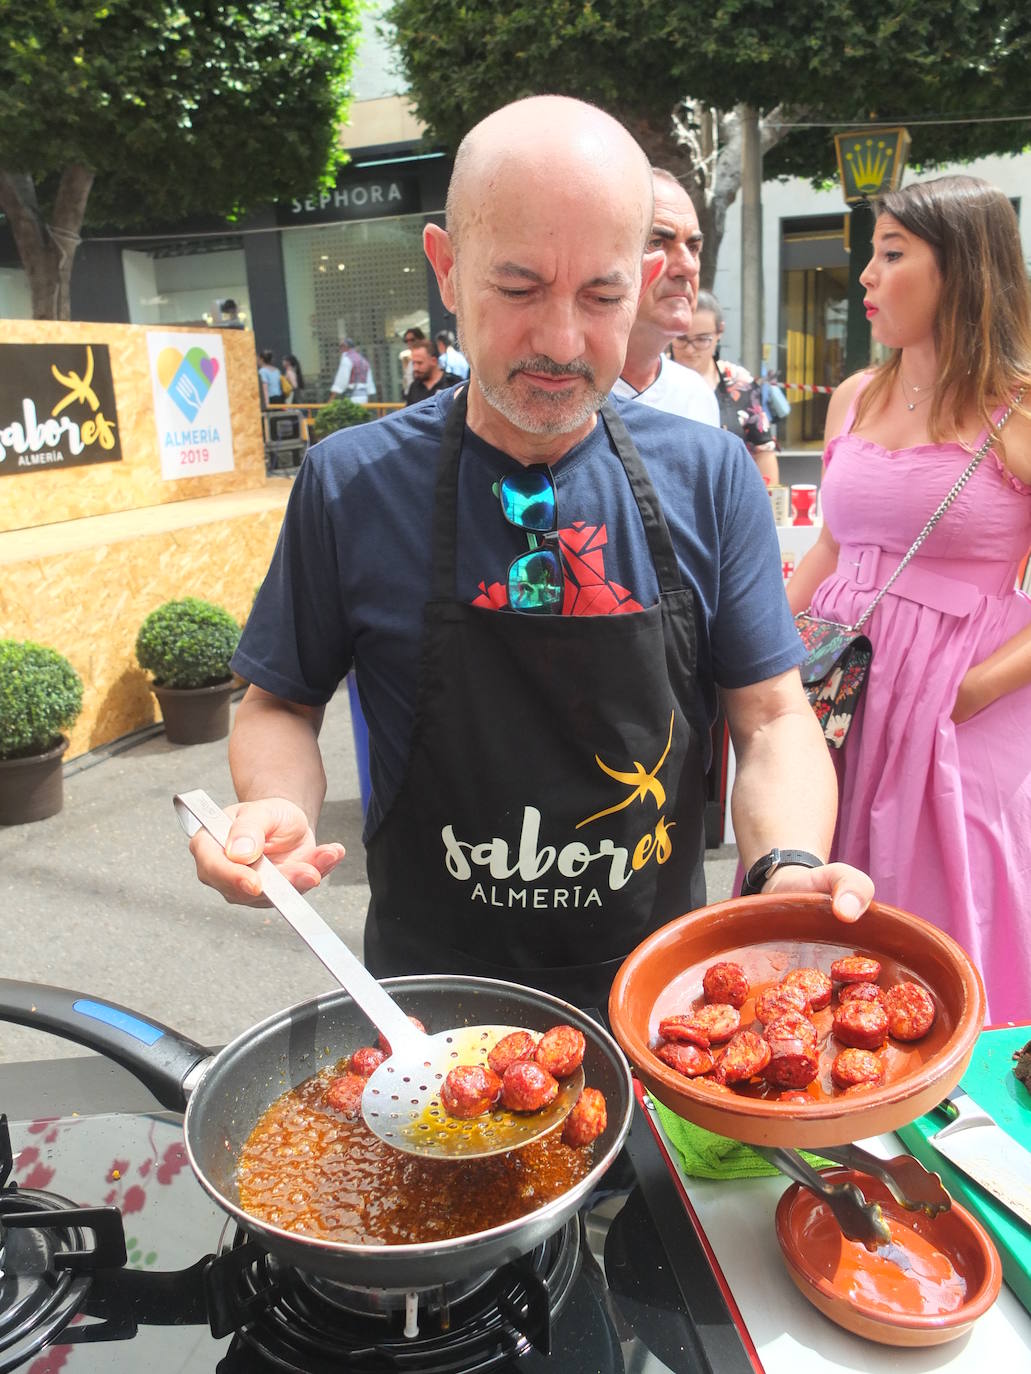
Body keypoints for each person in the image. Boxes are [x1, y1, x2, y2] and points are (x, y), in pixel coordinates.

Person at [189, 95, 872, 1010]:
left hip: (660, 1001)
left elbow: (772, 718)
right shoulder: (349, 482)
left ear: (642, 278)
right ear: (445, 266)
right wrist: (278, 807)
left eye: (600, 296)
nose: (559, 341)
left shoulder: (708, 474)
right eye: (517, 289)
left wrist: (785, 865)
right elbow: (280, 700)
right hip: (425, 1011)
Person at [786, 175, 1031, 1024]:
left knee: (956, 902)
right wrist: (770, 651)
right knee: (835, 889)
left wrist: (974, 689)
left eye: (891, 254)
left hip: (961, 701)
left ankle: (965, 1107)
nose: (865, 277)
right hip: (842, 686)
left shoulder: (1020, 410)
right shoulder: (856, 394)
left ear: (961, 269)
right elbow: (829, 544)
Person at [611, 170, 719, 427]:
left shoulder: (696, 396)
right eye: (657, 242)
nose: (688, 267)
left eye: (693, 248)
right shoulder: (556, 391)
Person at [672, 291, 779, 485]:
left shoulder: (739, 382)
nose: (690, 349)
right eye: (681, 339)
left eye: (702, 339)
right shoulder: (652, 379)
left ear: (719, 332)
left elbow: (763, 450)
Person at [405, 340, 461, 405]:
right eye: (413, 363)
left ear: (434, 361)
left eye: (419, 363)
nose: (415, 368)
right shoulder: (414, 387)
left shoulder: (453, 383)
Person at [330, 340, 376, 404]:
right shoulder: (363, 360)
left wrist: (331, 400)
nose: (340, 350)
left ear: (345, 347)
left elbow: (341, 381)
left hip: (352, 397)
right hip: (364, 396)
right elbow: (369, 383)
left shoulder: (347, 359)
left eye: (340, 347)